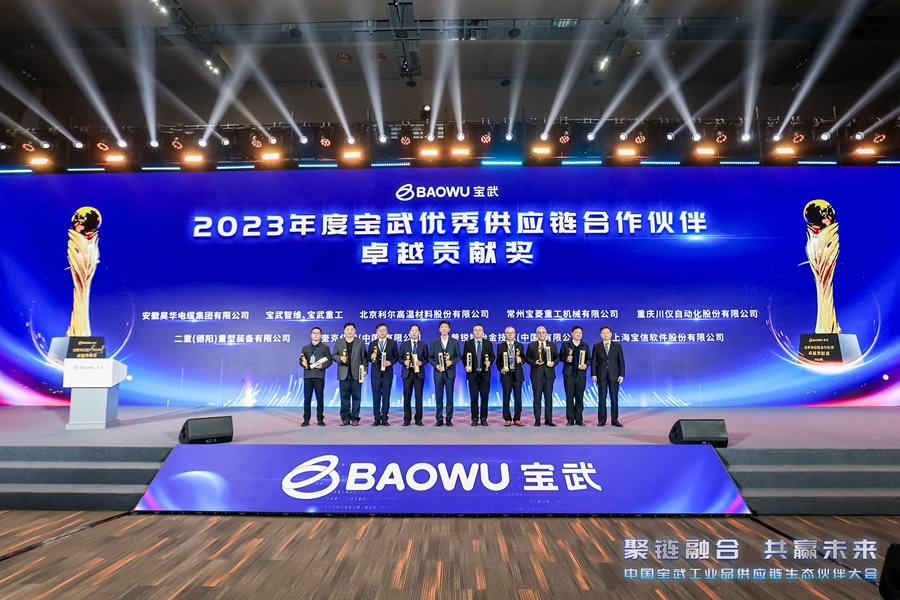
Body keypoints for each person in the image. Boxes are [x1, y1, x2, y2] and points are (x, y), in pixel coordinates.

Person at [332, 322, 367, 426]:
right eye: (347, 329)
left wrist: (365, 369)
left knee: (356, 398)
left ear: (355, 331)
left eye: (352, 329)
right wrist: (340, 358)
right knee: (344, 397)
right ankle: (345, 418)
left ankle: (355, 418)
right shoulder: (339, 342)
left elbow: (364, 358)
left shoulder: (360, 342)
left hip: (357, 374)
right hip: (344, 374)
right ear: (344, 331)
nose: (350, 331)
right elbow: (333, 355)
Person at [429, 320, 461, 426]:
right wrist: (436, 365)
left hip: (450, 373)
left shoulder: (454, 342)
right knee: (439, 397)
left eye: (446, 327)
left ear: (449, 329)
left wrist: (452, 362)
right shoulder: (434, 342)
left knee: (449, 397)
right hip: (438, 373)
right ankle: (439, 419)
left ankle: (448, 419)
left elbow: (459, 356)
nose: (444, 329)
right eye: (442, 327)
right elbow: (430, 357)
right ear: (439, 329)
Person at [592, 325, 625, 427]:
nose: (605, 335)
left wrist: (621, 375)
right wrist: (593, 374)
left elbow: (621, 362)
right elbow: (593, 362)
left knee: (614, 399)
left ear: (611, 334)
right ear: (600, 335)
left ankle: (615, 420)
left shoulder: (617, 346)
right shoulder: (596, 346)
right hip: (601, 375)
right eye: (603, 333)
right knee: (602, 399)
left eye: (607, 333)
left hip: (614, 375)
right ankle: (601, 420)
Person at [299, 326, 332, 426]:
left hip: (319, 376)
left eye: (318, 333)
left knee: (320, 398)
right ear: (311, 335)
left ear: (321, 335)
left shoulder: (325, 347)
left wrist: (322, 366)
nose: (316, 335)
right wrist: (302, 363)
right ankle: (306, 419)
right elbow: (301, 360)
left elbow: (329, 361)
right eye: (314, 333)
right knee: (307, 399)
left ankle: (320, 419)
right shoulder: (305, 348)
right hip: (308, 376)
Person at [367, 323, 399, 426]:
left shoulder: (392, 343)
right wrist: (371, 357)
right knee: (376, 396)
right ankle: (376, 418)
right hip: (375, 374)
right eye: (380, 330)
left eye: (384, 330)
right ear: (376, 332)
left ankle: (385, 418)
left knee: (386, 396)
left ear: (387, 331)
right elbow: (367, 358)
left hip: (387, 374)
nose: (382, 332)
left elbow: (396, 357)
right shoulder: (372, 343)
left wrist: (390, 362)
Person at [525, 326, 558, 426]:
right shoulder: (531, 345)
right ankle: (537, 419)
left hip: (549, 375)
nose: (541, 334)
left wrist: (553, 363)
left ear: (546, 333)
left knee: (548, 398)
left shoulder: (552, 345)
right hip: (536, 375)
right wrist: (534, 362)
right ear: (536, 334)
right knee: (537, 398)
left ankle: (549, 420)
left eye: (543, 332)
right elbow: (527, 358)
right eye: (539, 333)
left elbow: (557, 358)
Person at [463, 323, 495, 426]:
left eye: (479, 330)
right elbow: (464, 357)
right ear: (473, 332)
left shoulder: (488, 343)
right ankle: (474, 418)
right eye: (475, 330)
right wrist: (466, 366)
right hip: (473, 374)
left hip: (485, 374)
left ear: (483, 332)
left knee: (484, 398)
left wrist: (489, 362)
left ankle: (484, 418)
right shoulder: (468, 343)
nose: (477, 332)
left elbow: (492, 356)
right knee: (474, 398)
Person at [559, 325, 591, 426]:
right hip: (569, 374)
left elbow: (589, 359)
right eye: (576, 332)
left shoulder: (585, 345)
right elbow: (560, 356)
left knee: (579, 397)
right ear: (572, 334)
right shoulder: (566, 344)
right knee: (569, 397)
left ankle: (579, 419)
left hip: (581, 374)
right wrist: (566, 358)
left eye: (580, 333)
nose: (578, 334)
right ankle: (570, 419)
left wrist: (586, 365)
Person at [496, 326, 525, 427]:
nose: (510, 334)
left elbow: (524, 358)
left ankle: (517, 419)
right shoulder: (501, 346)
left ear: (515, 334)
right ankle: (507, 418)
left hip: (517, 375)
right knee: (506, 398)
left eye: (512, 333)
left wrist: (521, 360)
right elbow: (498, 362)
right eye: (508, 333)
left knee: (518, 398)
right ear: (505, 334)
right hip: (506, 375)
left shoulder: (520, 345)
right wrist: (501, 369)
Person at [399, 323, 427, 426]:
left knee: (418, 397)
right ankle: (407, 419)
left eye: (416, 331)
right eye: (412, 330)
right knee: (407, 397)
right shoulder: (404, 344)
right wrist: (404, 362)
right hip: (407, 373)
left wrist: (421, 362)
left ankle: (418, 419)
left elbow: (427, 358)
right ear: (409, 332)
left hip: (419, 374)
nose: (414, 332)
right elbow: (399, 357)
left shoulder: (423, 345)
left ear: (419, 332)